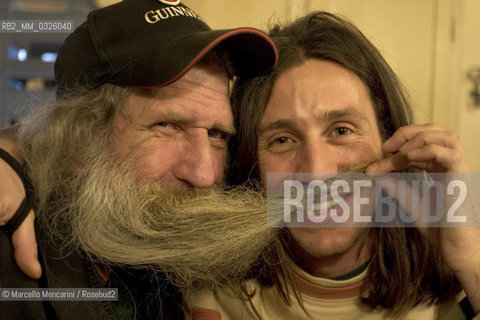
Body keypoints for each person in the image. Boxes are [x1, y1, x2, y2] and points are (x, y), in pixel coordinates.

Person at [185, 12, 480, 319]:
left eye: (341, 131)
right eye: (283, 140)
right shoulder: (206, 294)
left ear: (389, 140)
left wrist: (473, 263)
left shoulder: (460, 286)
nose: (317, 173)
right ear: (250, 165)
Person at [0, 0, 279, 319]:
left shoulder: (170, 249)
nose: (203, 175)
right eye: (167, 126)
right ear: (79, 142)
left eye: (216, 134)